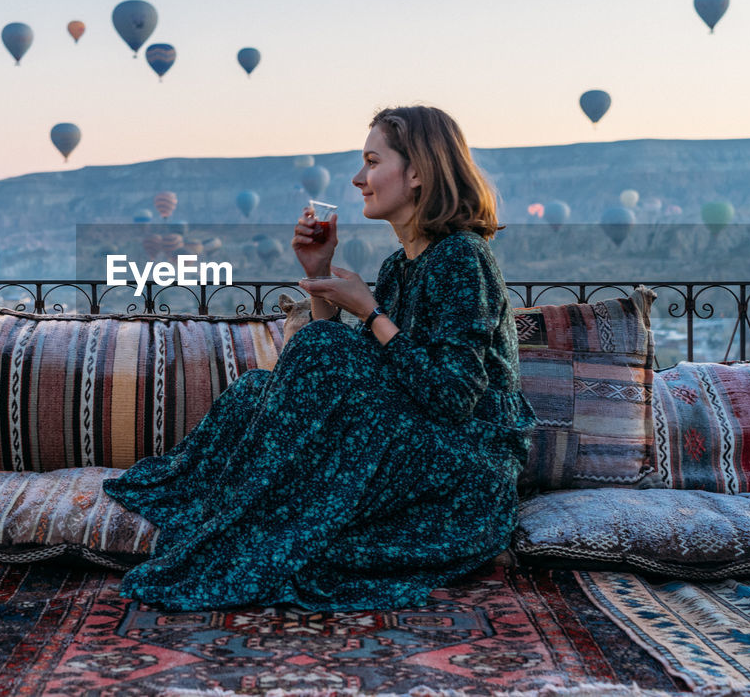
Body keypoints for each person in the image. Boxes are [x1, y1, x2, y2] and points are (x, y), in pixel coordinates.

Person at [101, 105, 534, 612]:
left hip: (466, 469)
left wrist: (369, 310)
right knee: (252, 393)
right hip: (413, 440)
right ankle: (243, 519)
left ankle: (248, 524)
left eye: (372, 162)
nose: (358, 179)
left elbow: (452, 396)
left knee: (319, 349)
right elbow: (353, 377)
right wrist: (320, 275)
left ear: (417, 171)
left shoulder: (463, 257)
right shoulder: (400, 265)